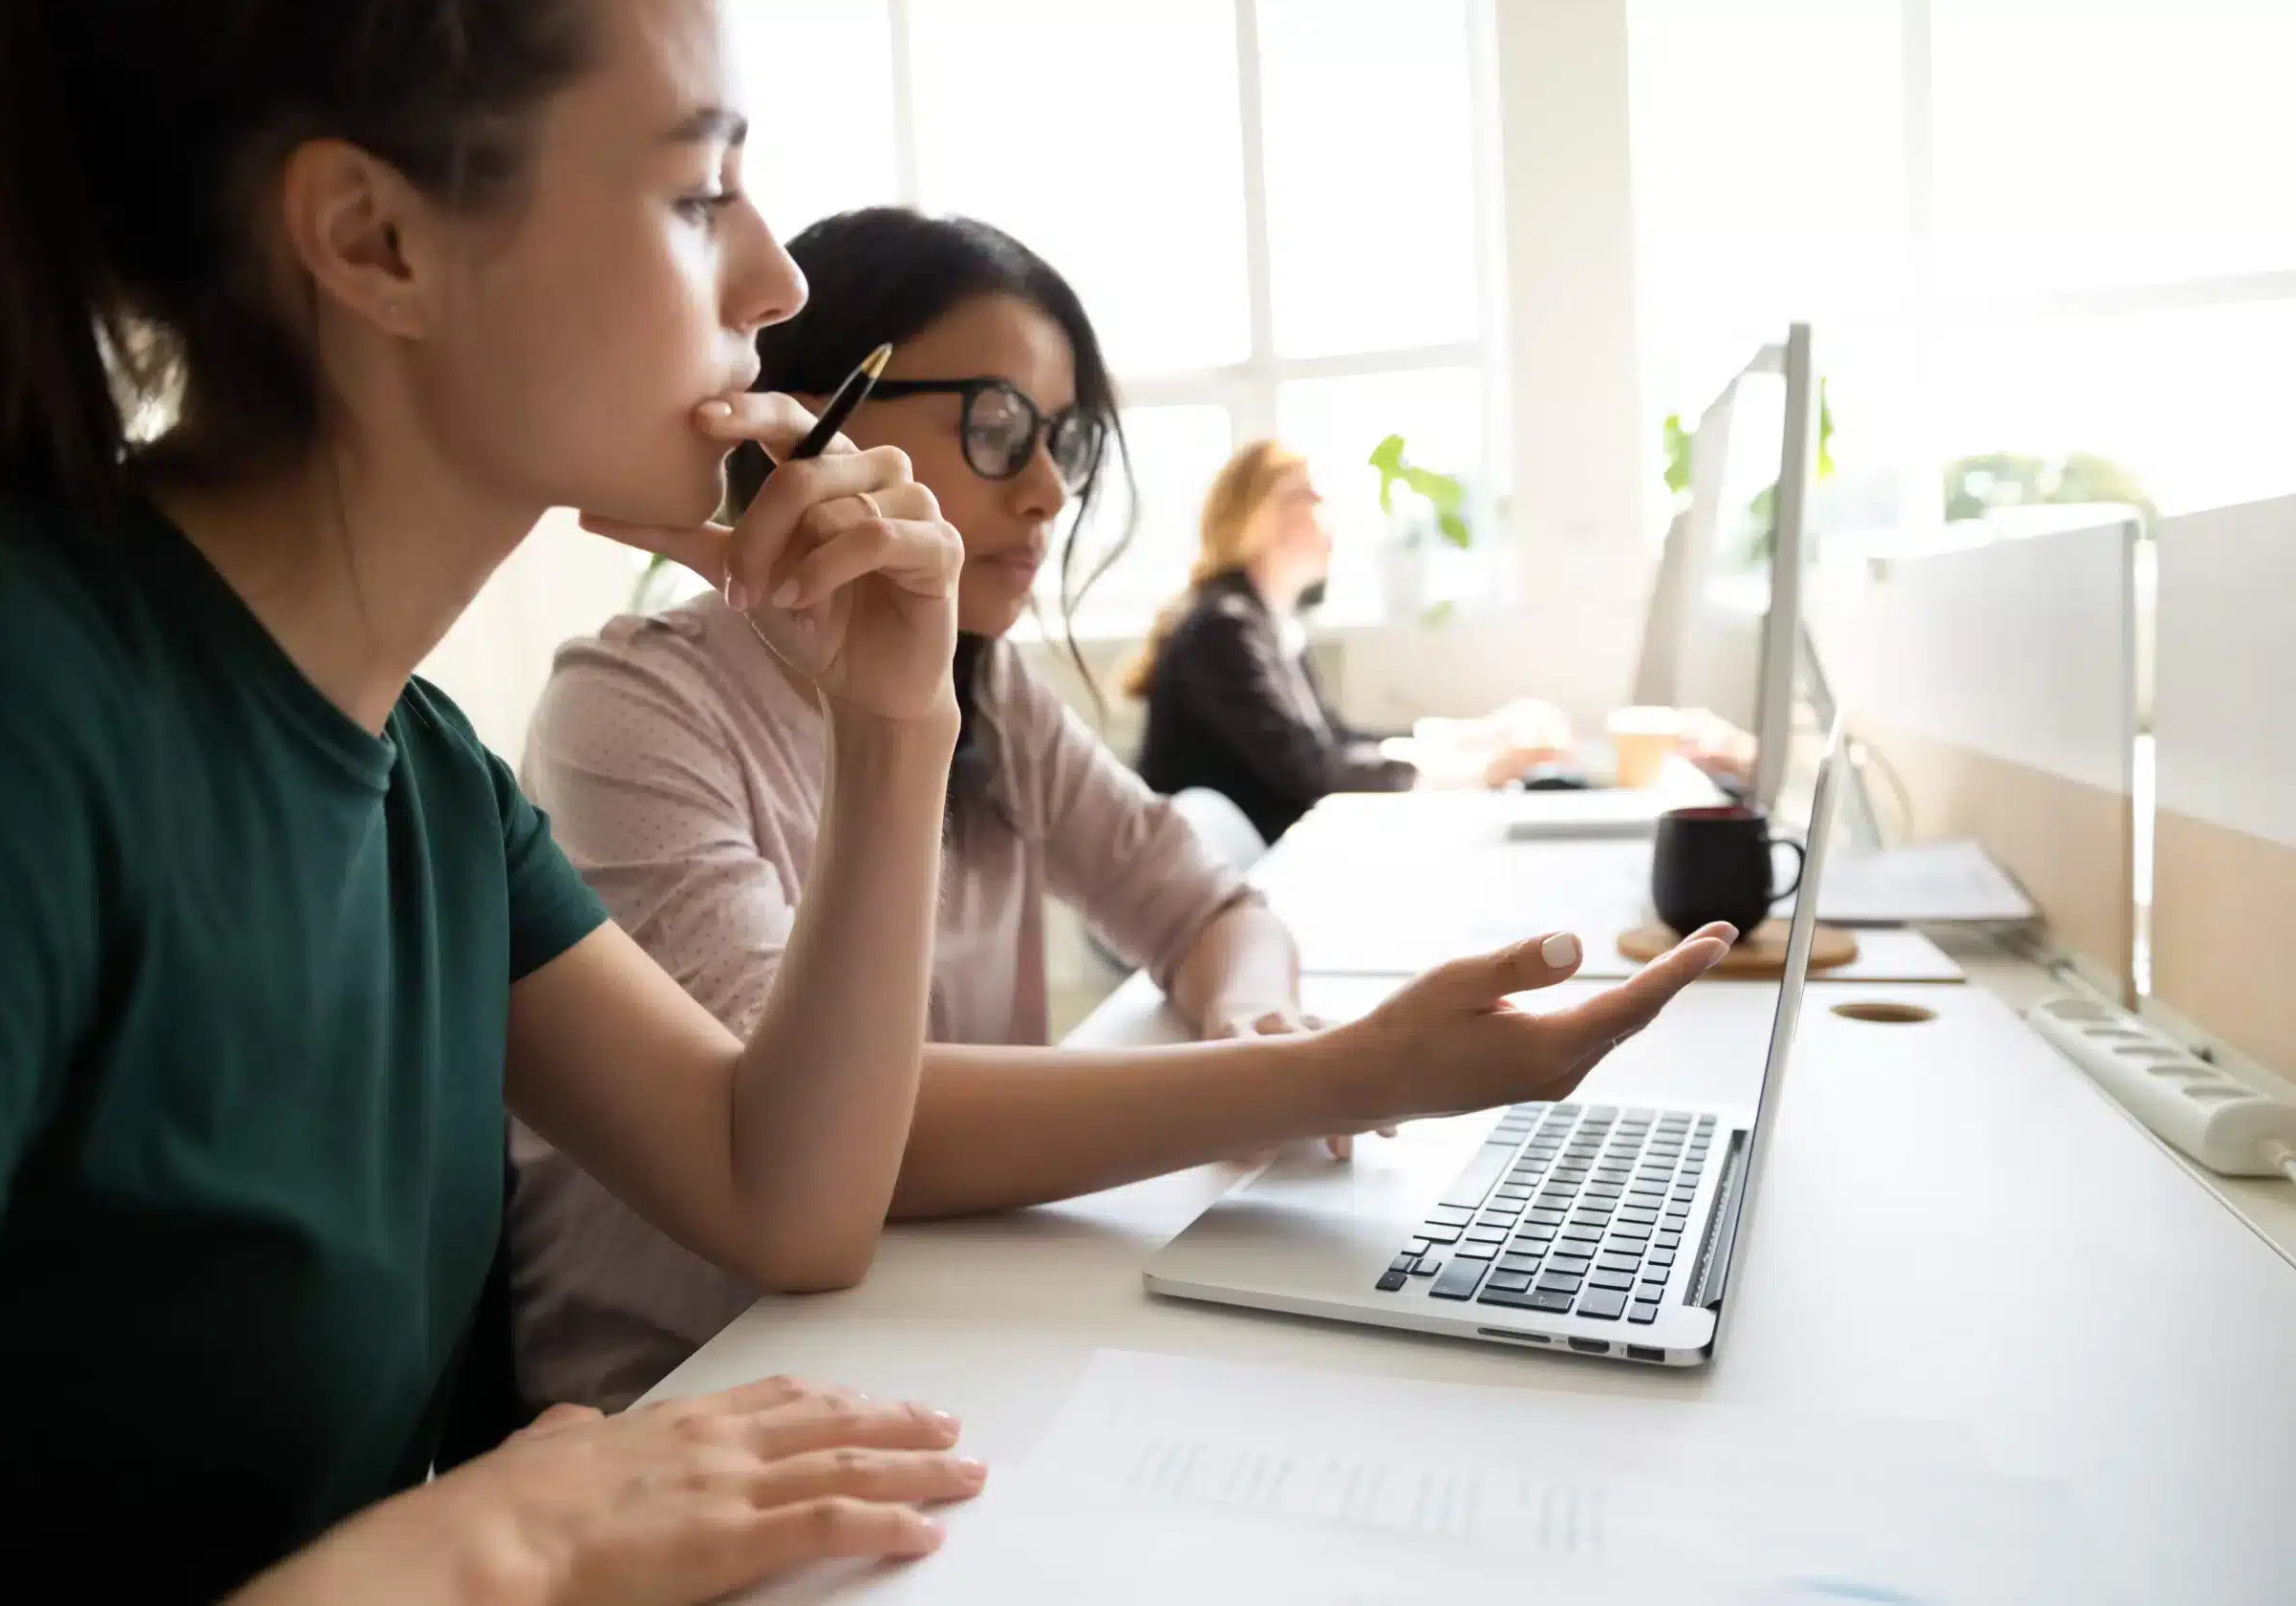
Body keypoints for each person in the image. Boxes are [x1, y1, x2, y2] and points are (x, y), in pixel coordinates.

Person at [0, 0, 1733, 1604]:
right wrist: (478, 1551)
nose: (771, 281)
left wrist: (897, 713)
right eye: (695, 192)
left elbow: (791, 1191)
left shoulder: (425, 785)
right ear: (375, 242)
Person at [504, 207, 1731, 1415]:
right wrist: (1333, 1075)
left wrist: (1249, 1005)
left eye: (1067, 443)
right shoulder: (635, 708)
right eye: (996, 427)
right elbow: (823, 1144)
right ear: (817, 414)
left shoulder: (989, 692)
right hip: (679, 1396)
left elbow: (1205, 905)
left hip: (917, 1330)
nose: (1047, 492)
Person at [1127, 440, 1563, 844]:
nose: (1329, 514)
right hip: (1240, 880)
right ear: (1259, 514)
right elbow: (1313, 771)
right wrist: (1480, 769)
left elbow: (1335, 742)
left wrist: (1474, 737)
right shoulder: (1224, 629)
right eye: (1312, 498)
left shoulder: (1266, 621)